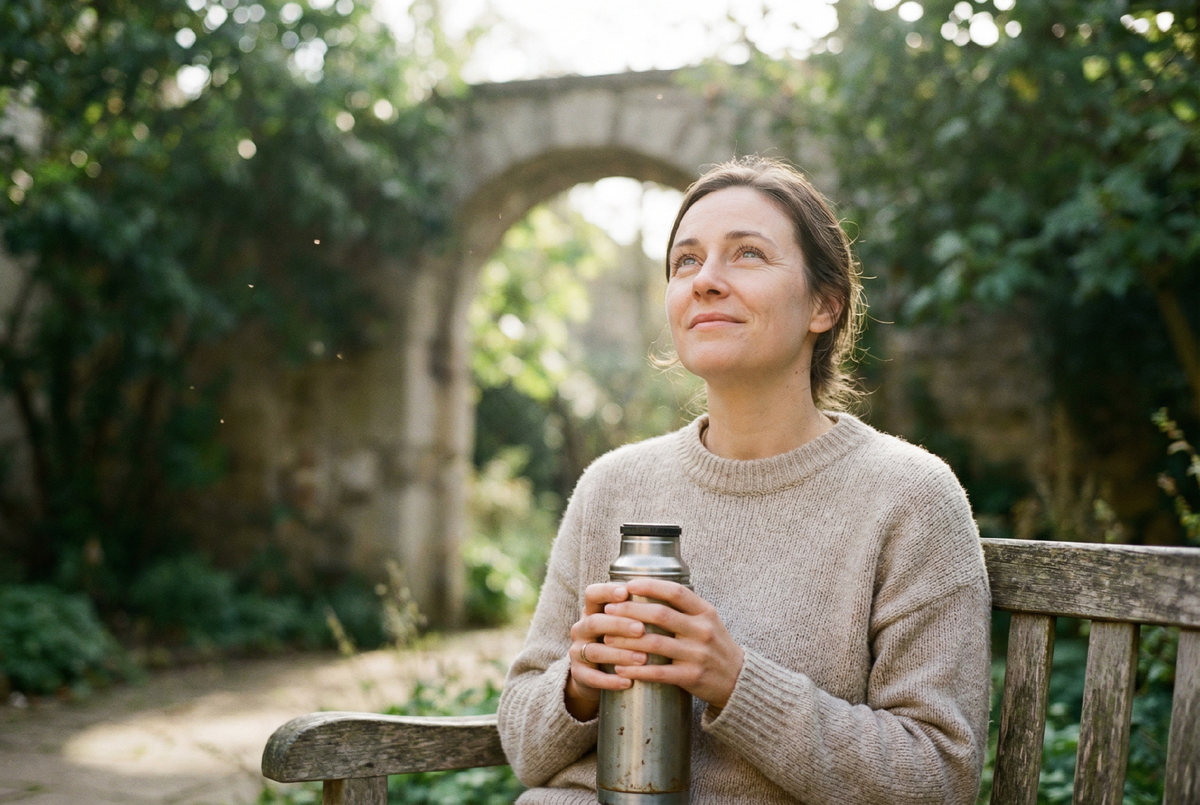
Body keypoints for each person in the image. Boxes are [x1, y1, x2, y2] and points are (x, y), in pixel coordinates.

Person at [496, 156, 991, 805]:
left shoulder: (908, 496)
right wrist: (578, 685)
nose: (705, 281)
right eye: (685, 261)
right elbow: (525, 744)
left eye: (747, 254)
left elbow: (938, 774)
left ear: (823, 304)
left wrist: (736, 682)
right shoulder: (612, 486)